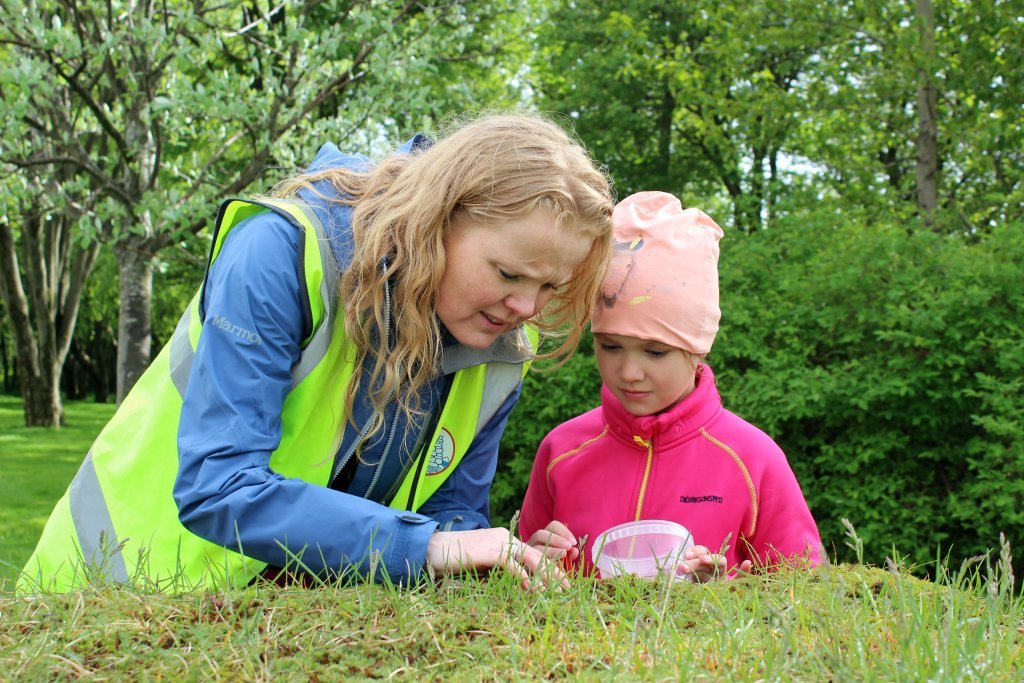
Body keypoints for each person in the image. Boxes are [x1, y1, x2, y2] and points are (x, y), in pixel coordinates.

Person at [20, 113, 614, 593]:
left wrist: (495, 558)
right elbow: (217, 487)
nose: (527, 308)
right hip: (107, 602)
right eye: (509, 272)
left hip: (269, 633)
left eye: (550, 287)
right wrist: (428, 545)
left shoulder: (505, 345)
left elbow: (450, 512)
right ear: (438, 220)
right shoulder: (280, 251)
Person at [519, 191, 822, 581]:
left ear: (695, 349)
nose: (629, 371)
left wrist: (731, 591)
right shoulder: (562, 450)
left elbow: (806, 587)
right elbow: (521, 585)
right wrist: (537, 557)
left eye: (656, 352)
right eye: (610, 346)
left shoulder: (752, 458)